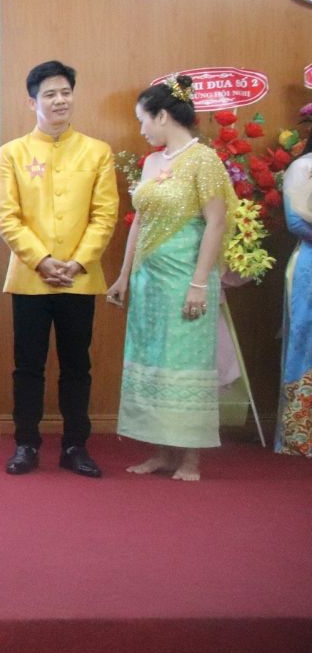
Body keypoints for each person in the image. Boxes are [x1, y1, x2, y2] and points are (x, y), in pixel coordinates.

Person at [0, 60, 118, 477]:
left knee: (77, 366)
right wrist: (42, 260)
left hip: (80, 280)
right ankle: (26, 444)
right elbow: (6, 215)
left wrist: (78, 262)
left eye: (65, 92)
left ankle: (75, 446)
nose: (60, 100)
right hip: (31, 278)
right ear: (33, 102)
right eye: (50, 94)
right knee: (28, 367)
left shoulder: (97, 151)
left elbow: (105, 215)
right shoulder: (12, 153)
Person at [106, 75, 229, 480]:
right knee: (152, 360)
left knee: (185, 361)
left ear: (162, 116)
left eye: (142, 119)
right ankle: (160, 450)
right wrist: (124, 276)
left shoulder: (204, 160)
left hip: (185, 278)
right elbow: (139, 222)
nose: (141, 128)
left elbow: (215, 223)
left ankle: (190, 457)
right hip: (149, 281)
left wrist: (199, 282)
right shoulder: (151, 162)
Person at [276, 106, 312, 457]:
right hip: (310, 264)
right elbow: (297, 223)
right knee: (306, 337)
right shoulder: (303, 168)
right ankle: (301, 436)